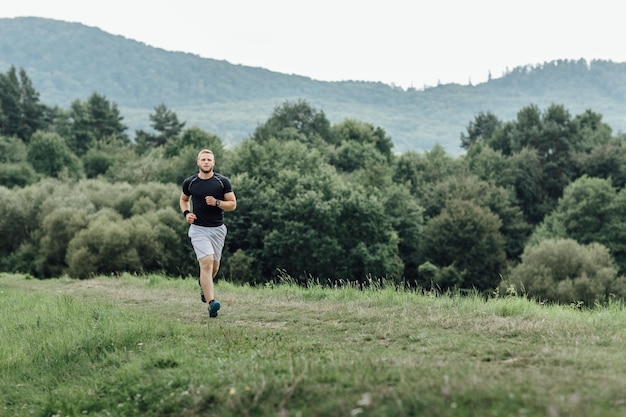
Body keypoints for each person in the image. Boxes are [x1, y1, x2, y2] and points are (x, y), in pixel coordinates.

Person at [179, 149, 237, 318]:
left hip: (218, 230)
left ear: (213, 163)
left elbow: (232, 204)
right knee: (206, 263)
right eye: (203, 159)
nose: (206, 162)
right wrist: (186, 213)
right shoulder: (190, 183)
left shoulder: (222, 182)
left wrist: (217, 202)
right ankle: (212, 304)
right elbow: (183, 199)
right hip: (198, 229)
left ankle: (204, 286)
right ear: (198, 162)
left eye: (209, 160)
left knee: (214, 266)